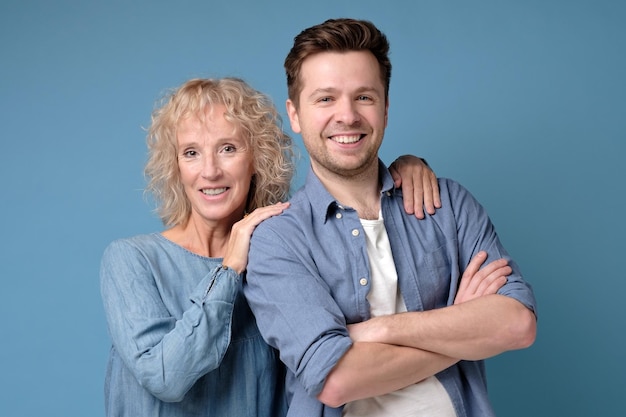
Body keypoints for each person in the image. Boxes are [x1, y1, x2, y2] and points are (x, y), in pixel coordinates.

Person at [244, 18, 537, 417]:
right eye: (325, 99)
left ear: (385, 106)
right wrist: (460, 329)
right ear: (295, 115)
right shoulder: (279, 238)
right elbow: (335, 380)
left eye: (363, 97)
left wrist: (378, 331)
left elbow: (517, 325)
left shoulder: (448, 204)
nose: (347, 116)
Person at [100, 77, 440, 416]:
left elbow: (334, 355)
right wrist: (229, 270)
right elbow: (165, 377)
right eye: (191, 153)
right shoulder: (132, 260)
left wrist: (404, 171)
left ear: (257, 160)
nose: (210, 171)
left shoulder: (283, 252)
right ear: (175, 167)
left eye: (228, 149)